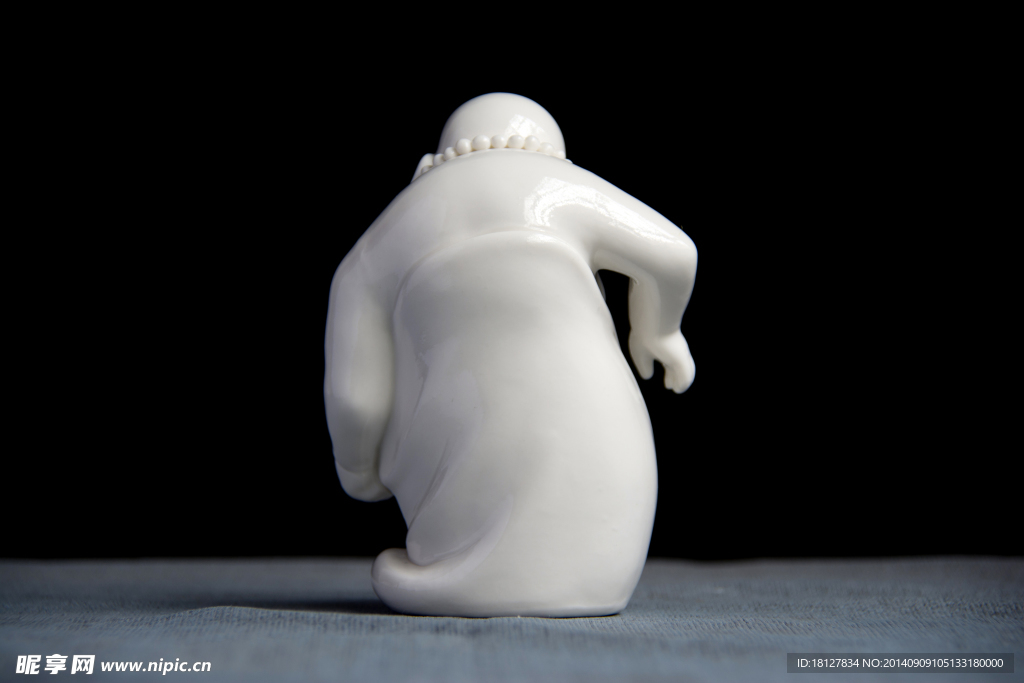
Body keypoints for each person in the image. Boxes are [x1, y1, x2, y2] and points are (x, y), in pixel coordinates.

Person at [324, 93, 697, 616]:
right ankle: (571, 574)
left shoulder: (386, 235)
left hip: (454, 477)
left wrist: (358, 471)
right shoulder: (561, 186)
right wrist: (659, 331)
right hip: (607, 491)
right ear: (550, 151)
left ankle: (456, 564)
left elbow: (354, 398)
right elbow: (676, 253)